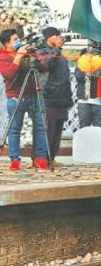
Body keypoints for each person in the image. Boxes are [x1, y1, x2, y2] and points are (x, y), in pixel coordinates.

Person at [0, 28, 49, 170]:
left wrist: (35, 57)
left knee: (41, 127)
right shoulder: (3, 56)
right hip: (16, 97)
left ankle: (40, 158)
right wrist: (18, 57)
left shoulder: (26, 53)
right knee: (15, 129)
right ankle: (15, 159)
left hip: (34, 94)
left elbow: (44, 67)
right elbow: (8, 74)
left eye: (18, 38)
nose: (18, 41)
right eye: (15, 40)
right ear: (6, 43)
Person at [37, 26, 73, 166]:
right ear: (49, 37)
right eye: (56, 35)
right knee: (48, 129)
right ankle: (42, 158)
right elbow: (46, 66)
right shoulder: (42, 51)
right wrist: (57, 49)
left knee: (58, 130)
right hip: (49, 96)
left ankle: (52, 158)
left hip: (62, 97)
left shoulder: (61, 54)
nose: (59, 38)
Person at [74, 43, 101, 129]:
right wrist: (90, 72)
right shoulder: (80, 67)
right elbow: (79, 76)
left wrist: (97, 69)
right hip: (83, 101)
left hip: (97, 101)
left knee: (99, 127)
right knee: (84, 127)